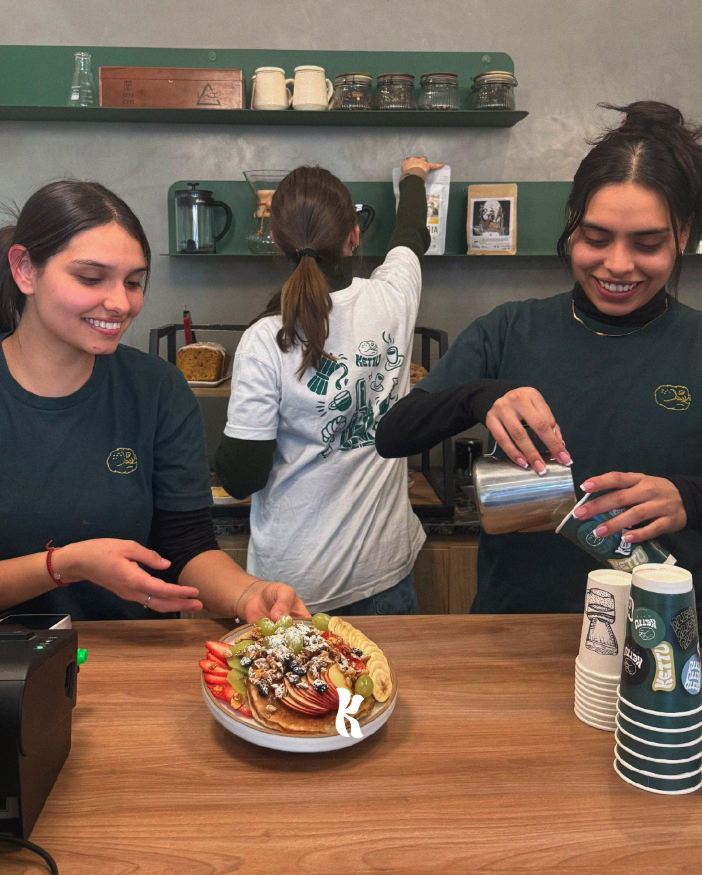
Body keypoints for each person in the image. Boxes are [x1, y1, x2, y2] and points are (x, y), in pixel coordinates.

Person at [376, 102, 702, 613]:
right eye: (596, 238)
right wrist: (482, 396)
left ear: (683, 233)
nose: (618, 265)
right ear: (572, 224)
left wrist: (691, 497)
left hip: (662, 646)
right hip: (514, 635)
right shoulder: (510, 329)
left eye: (648, 243)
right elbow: (393, 434)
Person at [0, 180, 308, 622]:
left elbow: (186, 546)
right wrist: (63, 565)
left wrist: (248, 596)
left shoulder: (157, 389)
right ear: (25, 269)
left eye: (134, 282)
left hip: (135, 661)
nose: (120, 303)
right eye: (90, 278)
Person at [215, 158, 442, 615]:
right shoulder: (392, 298)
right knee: (380, 688)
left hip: (292, 586)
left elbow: (241, 479)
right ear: (354, 234)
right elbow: (412, 235)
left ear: (277, 241)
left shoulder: (265, 337)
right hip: (384, 574)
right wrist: (413, 176)